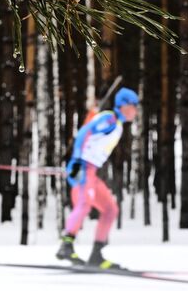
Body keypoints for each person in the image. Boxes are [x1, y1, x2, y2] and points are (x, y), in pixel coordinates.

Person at [56, 87, 139, 269]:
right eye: (134, 105)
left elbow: (89, 129)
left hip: (92, 171)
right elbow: (84, 133)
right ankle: (66, 245)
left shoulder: (116, 123)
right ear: (124, 105)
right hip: (83, 167)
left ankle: (96, 255)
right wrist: (76, 160)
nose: (136, 110)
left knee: (110, 209)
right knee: (84, 204)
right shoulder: (109, 118)